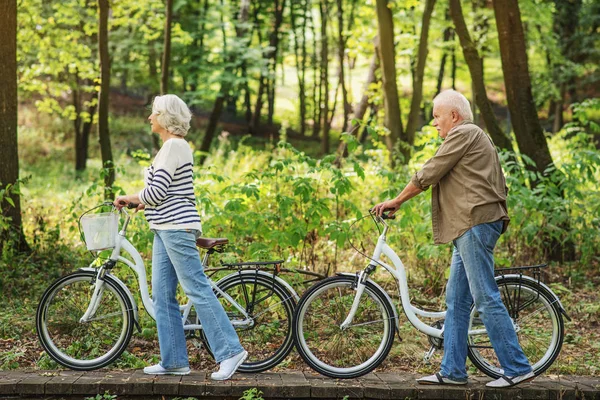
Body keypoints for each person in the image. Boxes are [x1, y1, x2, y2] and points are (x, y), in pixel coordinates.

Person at [372, 90, 533, 388]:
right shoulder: (471, 136)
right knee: (457, 302)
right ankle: (453, 370)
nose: (434, 123)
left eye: (437, 116)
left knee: (484, 296)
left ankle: (516, 366)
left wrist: (397, 200)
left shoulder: (464, 133)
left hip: (475, 222)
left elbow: (431, 171)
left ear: (454, 116)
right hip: (467, 226)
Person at [113, 94, 247, 380]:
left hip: (176, 227)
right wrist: (141, 202)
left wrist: (130, 196)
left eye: (154, 113)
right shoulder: (170, 147)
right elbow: (166, 190)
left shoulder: (173, 145)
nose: (149, 118)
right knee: (162, 296)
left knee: (196, 288)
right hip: (164, 227)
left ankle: (230, 350)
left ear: (164, 117)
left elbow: (158, 192)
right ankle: (174, 361)